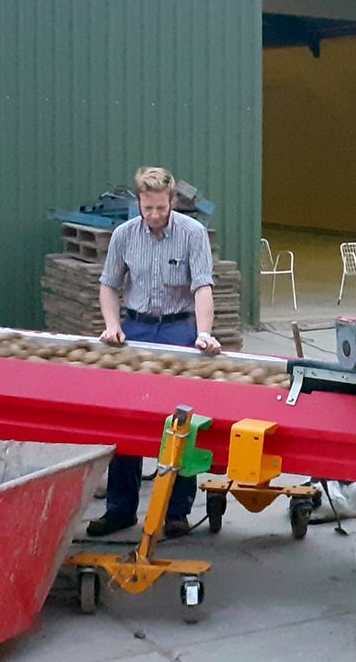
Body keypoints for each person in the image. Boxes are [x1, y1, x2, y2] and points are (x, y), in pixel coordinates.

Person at [86, 166, 222, 539]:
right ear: (139, 202)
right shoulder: (124, 236)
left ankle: (177, 511)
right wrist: (113, 325)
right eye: (148, 208)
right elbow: (109, 285)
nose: (155, 215)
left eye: (161, 208)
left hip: (179, 329)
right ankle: (121, 509)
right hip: (137, 328)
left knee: (181, 422)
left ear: (172, 201)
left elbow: (202, 287)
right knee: (128, 417)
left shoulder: (192, 234)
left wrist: (204, 333)